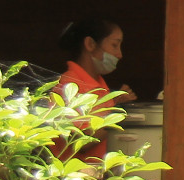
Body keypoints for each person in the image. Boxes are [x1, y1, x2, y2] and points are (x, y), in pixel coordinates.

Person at [55, 15, 136, 161]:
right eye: (114, 45)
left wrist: (117, 104)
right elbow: (80, 142)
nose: (119, 54)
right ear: (90, 44)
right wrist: (116, 111)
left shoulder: (99, 84)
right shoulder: (68, 85)